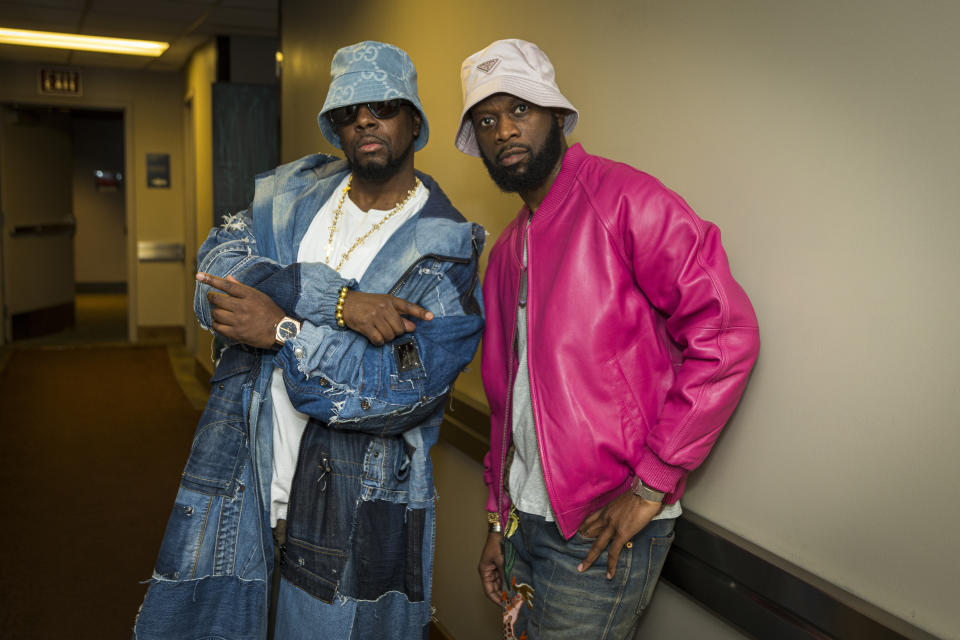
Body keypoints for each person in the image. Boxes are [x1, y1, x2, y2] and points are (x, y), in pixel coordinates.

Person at [134, 41, 484, 640]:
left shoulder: (445, 248)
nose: (364, 121)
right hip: (245, 476)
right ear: (335, 127)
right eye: (349, 112)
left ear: (415, 121)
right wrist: (337, 303)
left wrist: (279, 327)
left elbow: (398, 388)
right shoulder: (294, 193)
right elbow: (213, 281)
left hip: (356, 506)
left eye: (381, 107)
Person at [457, 39, 760, 639]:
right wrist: (499, 518)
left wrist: (653, 481)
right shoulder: (507, 250)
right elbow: (508, 404)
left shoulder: (625, 201)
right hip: (527, 523)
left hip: (598, 528)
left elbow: (726, 334)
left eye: (520, 109)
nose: (504, 131)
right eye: (487, 120)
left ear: (555, 116)